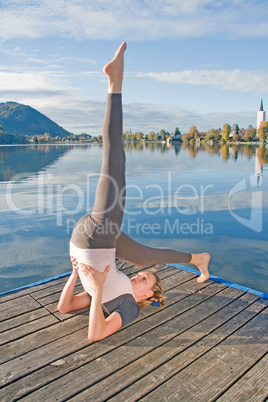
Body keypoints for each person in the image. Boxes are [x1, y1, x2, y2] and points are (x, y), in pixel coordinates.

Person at [57, 42, 210, 341]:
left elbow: (78, 320)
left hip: (88, 239)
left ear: (147, 295)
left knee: (114, 158)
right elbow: (138, 267)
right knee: (144, 255)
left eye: (143, 280)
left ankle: (115, 82)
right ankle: (198, 258)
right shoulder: (124, 298)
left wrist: (79, 278)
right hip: (96, 238)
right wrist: (99, 285)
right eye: (145, 277)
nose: (140, 277)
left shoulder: (129, 307)